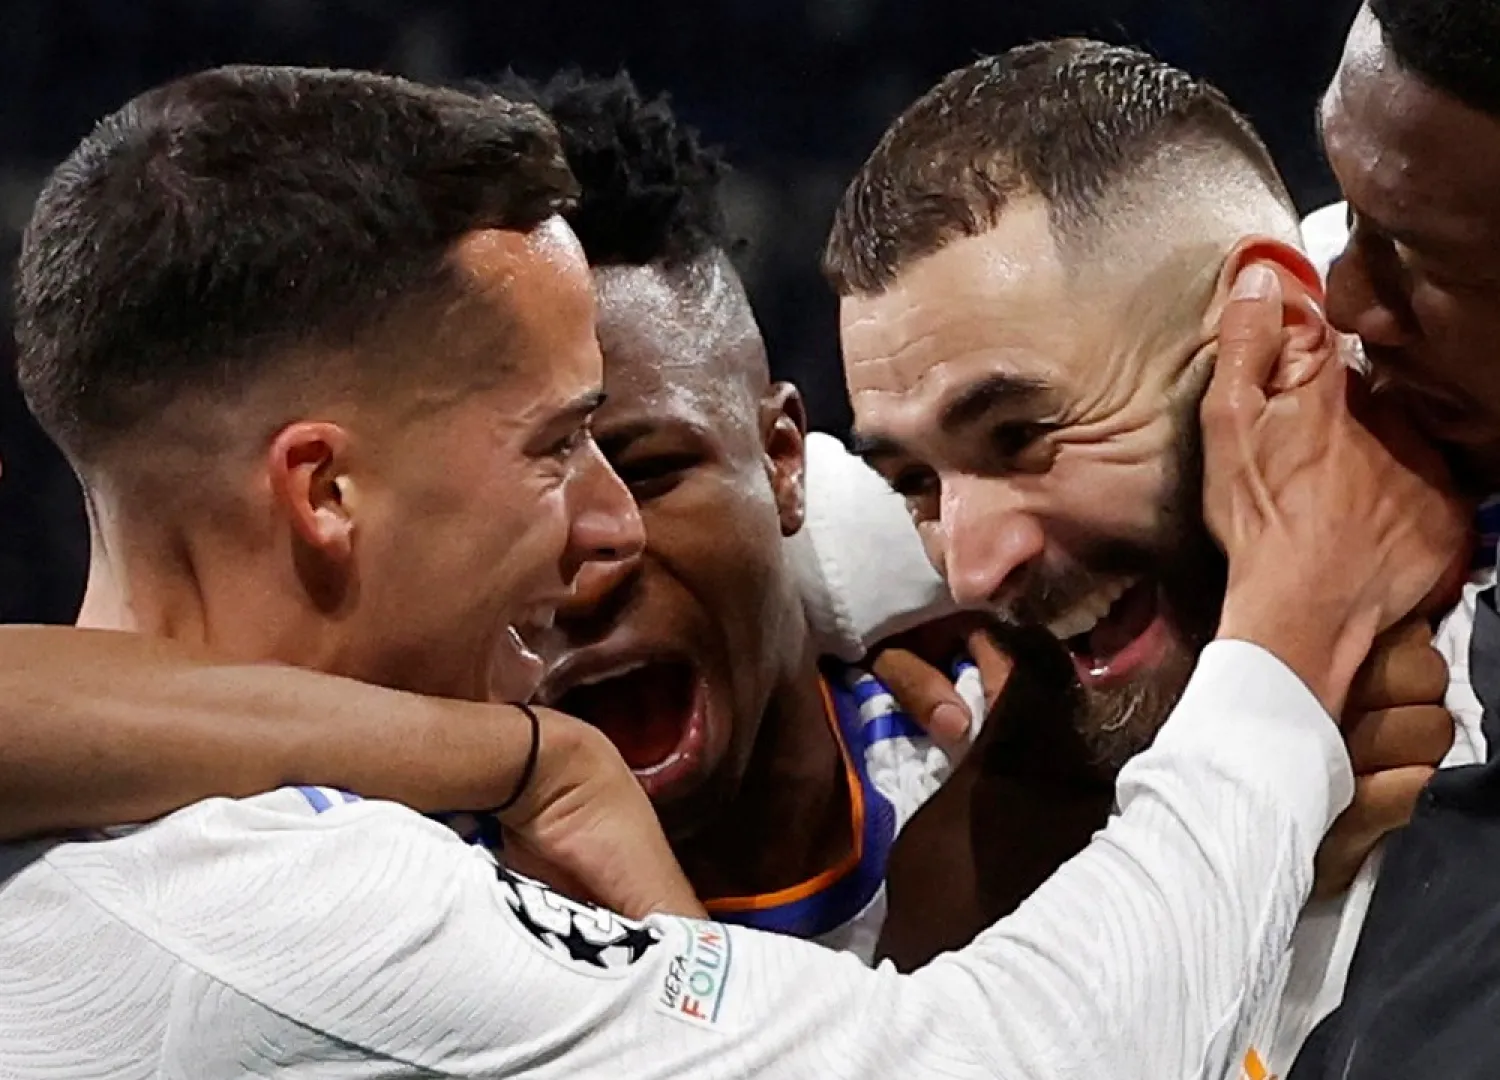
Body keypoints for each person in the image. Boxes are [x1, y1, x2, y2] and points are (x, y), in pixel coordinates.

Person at [0, 62, 1415, 1080]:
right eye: (559, 447)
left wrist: (523, 752)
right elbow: (1029, 1056)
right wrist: (1279, 673)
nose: (599, 526)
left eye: (646, 462)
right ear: (325, 491)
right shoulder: (317, 913)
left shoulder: (126, 821)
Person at [823, 39, 1466, 1080]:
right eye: (916, 483)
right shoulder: (1001, 837)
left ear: (1281, 339)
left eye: (1023, 433)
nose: (972, 569)